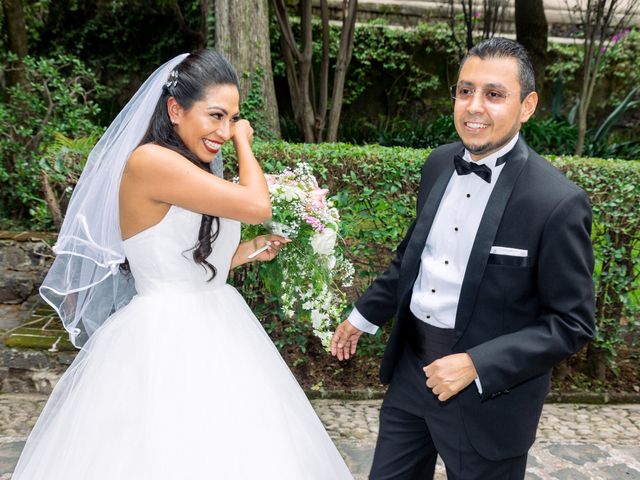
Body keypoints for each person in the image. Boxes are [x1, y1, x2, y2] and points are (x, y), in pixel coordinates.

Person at [12, 51, 352, 479]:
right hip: (165, 337)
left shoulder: (189, 163)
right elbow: (256, 204)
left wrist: (245, 251)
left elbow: (182, 257)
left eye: (233, 119)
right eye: (217, 116)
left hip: (219, 322)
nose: (226, 131)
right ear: (175, 109)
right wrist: (247, 140)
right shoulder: (150, 162)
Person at [331, 38, 595, 480]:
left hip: (490, 401)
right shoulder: (436, 165)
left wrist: (476, 365)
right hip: (412, 375)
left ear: (527, 106)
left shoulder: (557, 202)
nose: (474, 106)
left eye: (494, 94)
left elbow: (572, 324)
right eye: (464, 91)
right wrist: (362, 316)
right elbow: (412, 261)